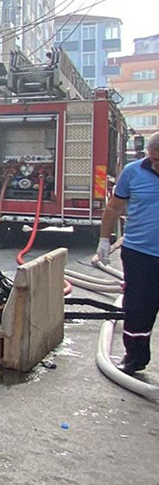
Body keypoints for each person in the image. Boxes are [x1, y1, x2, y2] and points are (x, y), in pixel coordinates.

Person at [97, 131, 159, 374]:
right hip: (139, 253)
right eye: (153, 159)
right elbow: (113, 207)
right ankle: (135, 358)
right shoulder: (133, 172)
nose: (155, 164)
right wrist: (104, 239)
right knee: (138, 307)